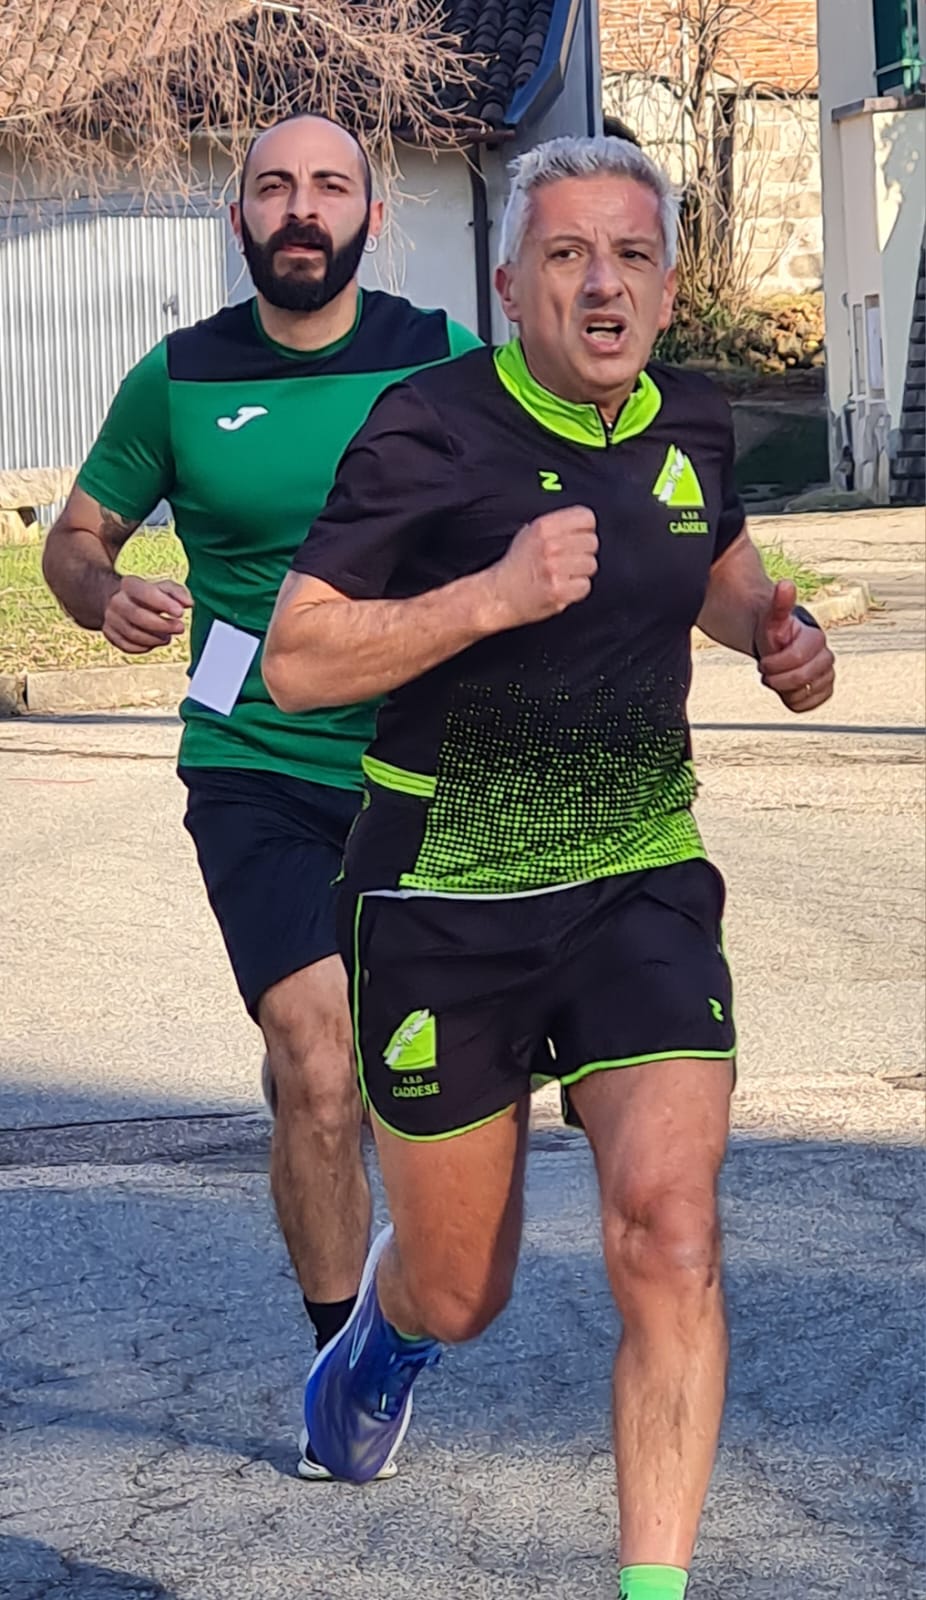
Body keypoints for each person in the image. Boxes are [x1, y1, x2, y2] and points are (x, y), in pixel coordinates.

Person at [263, 135, 835, 1593]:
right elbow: (297, 661)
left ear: (666, 288)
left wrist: (774, 636)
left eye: (632, 257)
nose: (602, 286)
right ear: (510, 287)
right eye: (567, 256)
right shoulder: (427, 427)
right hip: (445, 897)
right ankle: (387, 1329)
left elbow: (713, 564)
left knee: (671, 1233)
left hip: (639, 881)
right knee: (465, 1290)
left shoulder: (692, 417)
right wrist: (489, 596)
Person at [41, 112, 480, 1481]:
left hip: (423, 766)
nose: (302, 207)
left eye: (330, 186)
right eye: (274, 186)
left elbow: (546, 499)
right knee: (316, 1060)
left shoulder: (441, 357)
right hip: (255, 764)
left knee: (419, 1084)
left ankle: (353, 1178)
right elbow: (74, 536)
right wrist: (103, 592)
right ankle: (344, 1366)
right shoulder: (181, 376)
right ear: (238, 217)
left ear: (369, 217)